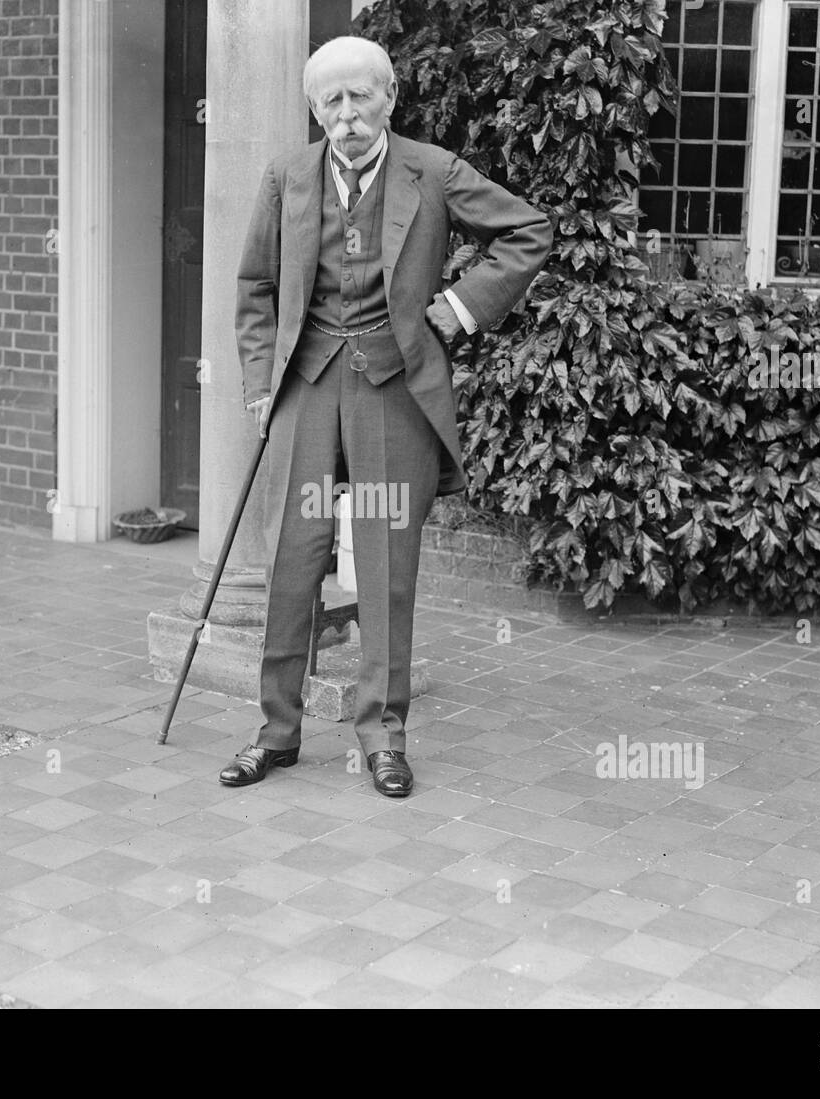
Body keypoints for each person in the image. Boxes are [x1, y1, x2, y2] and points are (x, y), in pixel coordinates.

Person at [221, 35, 552, 797]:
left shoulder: (431, 172)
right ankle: (276, 731)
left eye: (358, 97)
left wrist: (459, 309)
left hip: (393, 388)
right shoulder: (286, 177)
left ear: (390, 98)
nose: (345, 116)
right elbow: (255, 290)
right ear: (314, 110)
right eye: (329, 102)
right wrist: (256, 381)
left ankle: (383, 737)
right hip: (307, 388)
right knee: (290, 561)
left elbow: (528, 230)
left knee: (386, 565)